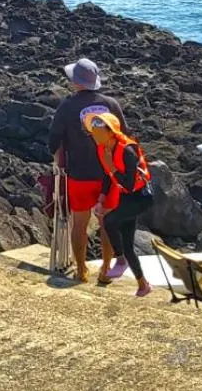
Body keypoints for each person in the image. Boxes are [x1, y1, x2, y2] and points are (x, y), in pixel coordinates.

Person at [47, 58, 126, 284]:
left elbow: (53, 139)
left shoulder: (68, 105)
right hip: (109, 175)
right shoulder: (111, 104)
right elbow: (124, 137)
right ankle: (106, 270)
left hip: (79, 174)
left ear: (75, 81)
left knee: (79, 223)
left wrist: (57, 156)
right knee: (108, 224)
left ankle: (81, 270)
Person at [84, 112, 155, 295]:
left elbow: (129, 185)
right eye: (93, 129)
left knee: (109, 221)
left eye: (99, 129)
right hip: (126, 197)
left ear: (111, 132)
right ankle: (143, 285)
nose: (94, 133)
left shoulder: (127, 151)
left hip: (140, 198)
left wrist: (113, 167)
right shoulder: (104, 149)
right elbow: (108, 177)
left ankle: (120, 260)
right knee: (128, 245)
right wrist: (101, 199)